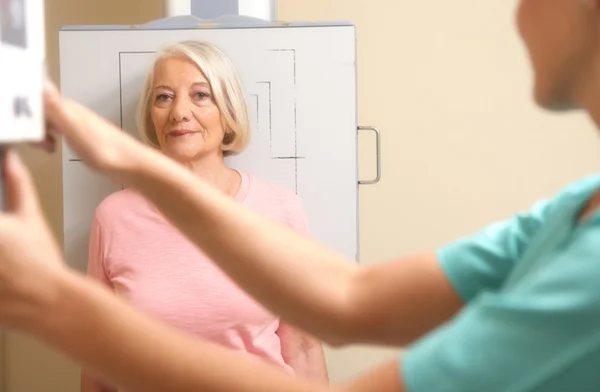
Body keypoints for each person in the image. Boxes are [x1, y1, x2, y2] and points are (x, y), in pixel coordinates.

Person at [1, 0, 600, 391]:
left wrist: (50, 301)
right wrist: (132, 160)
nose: (518, 12)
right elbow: (350, 298)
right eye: (164, 99)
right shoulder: (575, 211)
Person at [80, 40, 328, 392]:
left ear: (228, 113)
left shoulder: (281, 211)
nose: (179, 112)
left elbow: (302, 346)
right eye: (164, 97)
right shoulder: (114, 218)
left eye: (200, 95)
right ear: (151, 116)